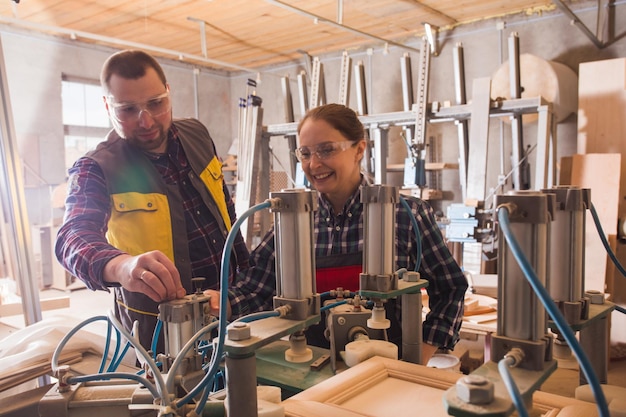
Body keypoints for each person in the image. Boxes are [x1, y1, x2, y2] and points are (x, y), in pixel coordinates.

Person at [215, 103, 468, 364]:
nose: (314, 164)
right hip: (311, 370)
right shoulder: (293, 222)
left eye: (326, 150)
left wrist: (420, 353)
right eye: (305, 153)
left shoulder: (406, 215)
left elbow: (451, 288)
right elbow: (256, 289)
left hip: (390, 373)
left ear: (359, 149)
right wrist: (220, 302)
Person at [55, 50, 249, 353]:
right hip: (160, 329)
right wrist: (121, 266)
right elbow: (72, 238)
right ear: (107, 106)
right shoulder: (97, 167)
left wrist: (246, 275)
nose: (145, 121)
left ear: (168, 93)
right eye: (128, 109)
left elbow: (224, 206)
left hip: (229, 304)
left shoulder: (197, 134)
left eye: (156, 104)